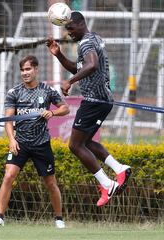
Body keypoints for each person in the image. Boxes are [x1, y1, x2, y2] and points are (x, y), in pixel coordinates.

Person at [45, 11, 131, 207]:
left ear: (80, 24)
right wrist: (58, 54)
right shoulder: (93, 38)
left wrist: (69, 82)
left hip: (95, 101)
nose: (69, 33)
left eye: (71, 28)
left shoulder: (86, 42)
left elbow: (91, 65)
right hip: (102, 100)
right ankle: (119, 169)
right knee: (86, 142)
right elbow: (80, 67)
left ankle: (107, 184)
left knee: (75, 146)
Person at [0, 55, 70, 228]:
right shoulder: (14, 92)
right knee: (9, 176)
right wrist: (11, 139)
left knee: (50, 182)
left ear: (36, 70)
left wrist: (53, 113)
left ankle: (59, 219)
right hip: (21, 143)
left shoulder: (47, 91)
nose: (25, 73)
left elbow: (65, 108)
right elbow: (8, 119)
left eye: (28, 69)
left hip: (42, 143)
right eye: (22, 70)